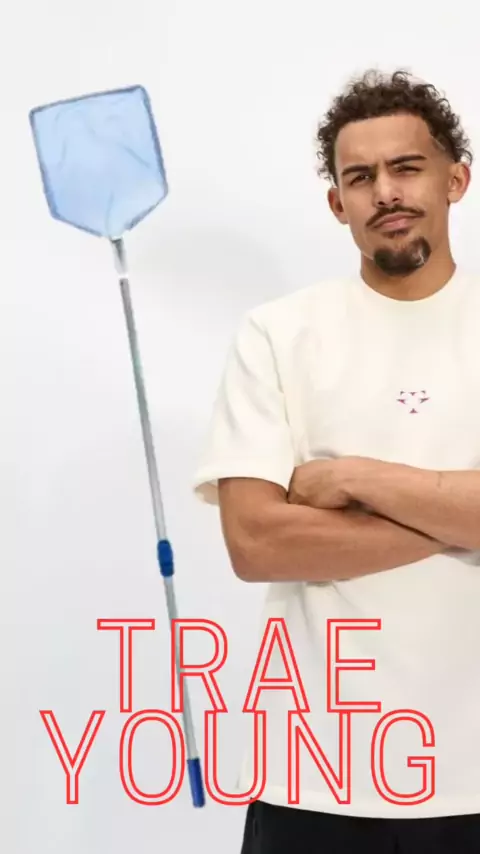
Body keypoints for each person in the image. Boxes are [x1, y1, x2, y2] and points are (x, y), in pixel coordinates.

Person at [191, 68, 480, 852]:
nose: (385, 192)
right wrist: (458, 515)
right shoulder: (278, 335)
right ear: (337, 203)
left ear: (455, 180)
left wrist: (354, 479)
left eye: (407, 167)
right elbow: (257, 543)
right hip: (314, 777)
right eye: (360, 177)